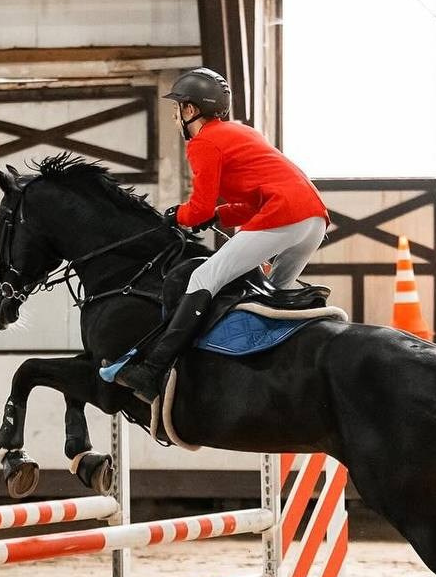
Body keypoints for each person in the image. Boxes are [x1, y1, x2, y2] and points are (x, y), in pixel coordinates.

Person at [109, 67, 330, 403]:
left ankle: (152, 369)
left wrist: (179, 215)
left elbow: (197, 209)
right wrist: (218, 214)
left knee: (204, 276)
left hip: (286, 213)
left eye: (178, 107)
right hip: (313, 219)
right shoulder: (241, 133)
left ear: (191, 109)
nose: (176, 115)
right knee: (272, 296)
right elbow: (251, 202)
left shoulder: (204, 143)